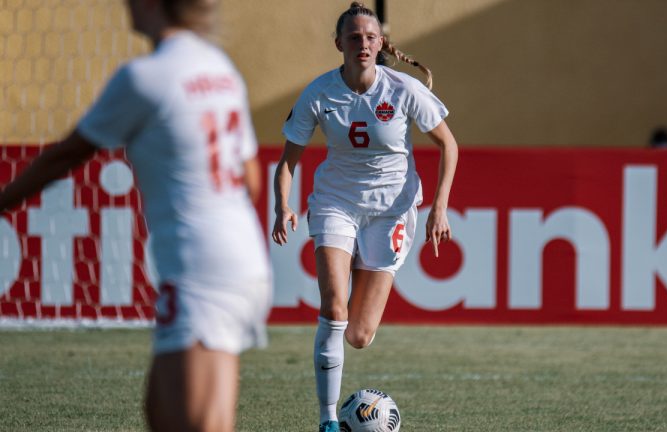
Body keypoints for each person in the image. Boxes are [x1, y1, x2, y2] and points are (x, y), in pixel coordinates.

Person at [0, 0, 272, 430]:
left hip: (200, 271)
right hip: (237, 259)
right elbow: (251, 179)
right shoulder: (219, 67)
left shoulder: (144, 77)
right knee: (161, 413)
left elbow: (66, 156)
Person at [271, 3, 458, 431]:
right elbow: (287, 162)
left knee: (358, 335)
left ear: (381, 43)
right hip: (337, 202)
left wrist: (439, 208)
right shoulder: (318, 93)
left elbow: (449, 145)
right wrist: (283, 205)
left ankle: (356, 263)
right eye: (354, 37)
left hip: (392, 208)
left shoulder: (403, 89)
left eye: (370, 37)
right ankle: (328, 421)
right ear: (339, 43)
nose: (363, 44)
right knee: (334, 308)